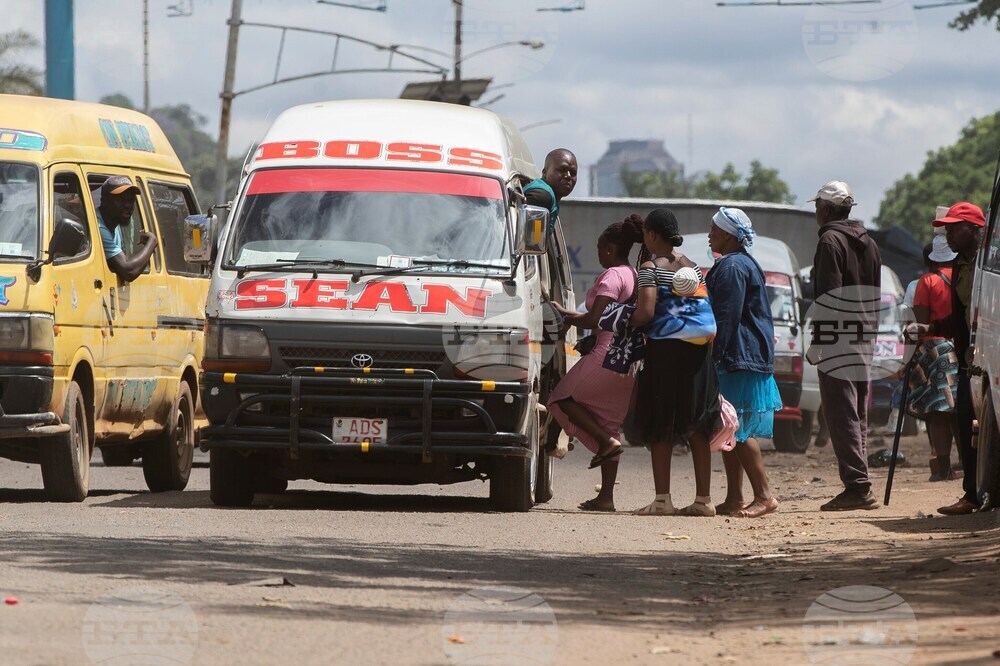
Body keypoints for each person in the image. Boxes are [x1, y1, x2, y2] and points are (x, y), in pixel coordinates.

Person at [548, 215, 643, 512]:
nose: (598, 254)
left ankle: (604, 442)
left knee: (560, 398)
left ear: (611, 248)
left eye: (600, 248)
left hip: (607, 351)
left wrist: (563, 312)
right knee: (610, 423)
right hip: (626, 358)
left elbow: (594, 318)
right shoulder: (633, 273)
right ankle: (606, 497)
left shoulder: (613, 275)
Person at [629, 208, 719, 517]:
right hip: (697, 355)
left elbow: (646, 312)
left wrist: (623, 319)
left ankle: (662, 500)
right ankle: (704, 500)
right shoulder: (693, 268)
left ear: (652, 235)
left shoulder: (650, 268)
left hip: (665, 354)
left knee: (661, 423)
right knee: (697, 424)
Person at [805, 180, 882, 511]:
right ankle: (859, 482)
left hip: (838, 338)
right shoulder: (870, 244)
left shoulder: (830, 241)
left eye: (816, 207)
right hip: (863, 336)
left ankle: (858, 486)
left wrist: (819, 342)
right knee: (857, 412)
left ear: (825, 209)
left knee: (841, 413)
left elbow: (830, 298)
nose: (815, 212)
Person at [705, 207, 783, 518]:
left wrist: (714, 355)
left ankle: (764, 496)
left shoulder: (733, 267)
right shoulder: (741, 263)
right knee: (729, 428)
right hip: (743, 354)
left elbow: (727, 316)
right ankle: (735, 497)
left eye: (714, 230)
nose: (710, 235)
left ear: (728, 235)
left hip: (738, 356)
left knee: (737, 428)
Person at [925, 202, 986, 515]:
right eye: (946, 229)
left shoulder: (990, 263)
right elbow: (960, 317)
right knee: (965, 424)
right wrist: (932, 328)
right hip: (969, 359)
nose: (948, 235)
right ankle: (972, 495)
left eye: (954, 228)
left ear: (974, 229)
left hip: (991, 354)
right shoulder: (961, 265)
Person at [907, 235, 961, 482]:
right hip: (963, 346)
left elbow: (921, 324)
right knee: (960, 410)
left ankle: (944, 468)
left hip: (936, 349)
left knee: (938, 412)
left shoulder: (927, 281)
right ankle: (968, 465)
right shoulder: (964, 278)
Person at [93, 175, 158, 282]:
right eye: (120, 199)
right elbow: (128, 272)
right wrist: (152, 241)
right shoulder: (97, 226)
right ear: (104, 201)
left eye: (131, 200)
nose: (128, 205)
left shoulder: (116, 222)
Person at [523, 149, 578, 226]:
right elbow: (533, 232)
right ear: (544, 172)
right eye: (562, 170)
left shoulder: (550, 197)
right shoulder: (541, 196)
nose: (568, 176)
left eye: (573, 173)